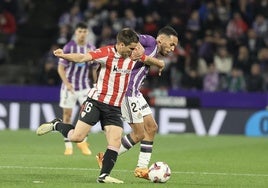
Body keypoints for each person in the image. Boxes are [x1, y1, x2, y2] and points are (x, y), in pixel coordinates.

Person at [36, 28, 165, 184]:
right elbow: (82, 57)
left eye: (136, 48)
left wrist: (150, 59)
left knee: (115, 142)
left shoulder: (133, 55)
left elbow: (152, 61)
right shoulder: (107, 53)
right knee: (77, 137)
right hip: (96, 102)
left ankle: (103, 176)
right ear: (121, 45)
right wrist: (64, 55)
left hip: (114, 107)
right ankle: (56, 124)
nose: (134, 52)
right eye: (131, 48)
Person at [96, 26, 178, 179]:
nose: (173, 49)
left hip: (135, 93)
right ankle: (106, 158)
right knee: (140, 133)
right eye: (171, 44)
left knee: (152, 127)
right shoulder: (151, 41)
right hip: (127, 92)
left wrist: (154, 61)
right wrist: (153, 60)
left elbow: (143, 57)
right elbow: (129, 35)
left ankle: (141, 168)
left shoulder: (152, 50)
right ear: (162, 40)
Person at [57, 22, 97, 155]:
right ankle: (68, 146)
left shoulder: (91, 48)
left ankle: (83, 142)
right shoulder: (69, 47)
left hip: (85, 87)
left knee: (89, 116)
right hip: (70, 87)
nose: (82, 34)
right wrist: (67, 83)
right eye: (80, 31)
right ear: (76, 32)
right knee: (67, 116)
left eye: (84, 31)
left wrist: (96, 84)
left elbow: (94, 69)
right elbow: (61, 68)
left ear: (87, 33)